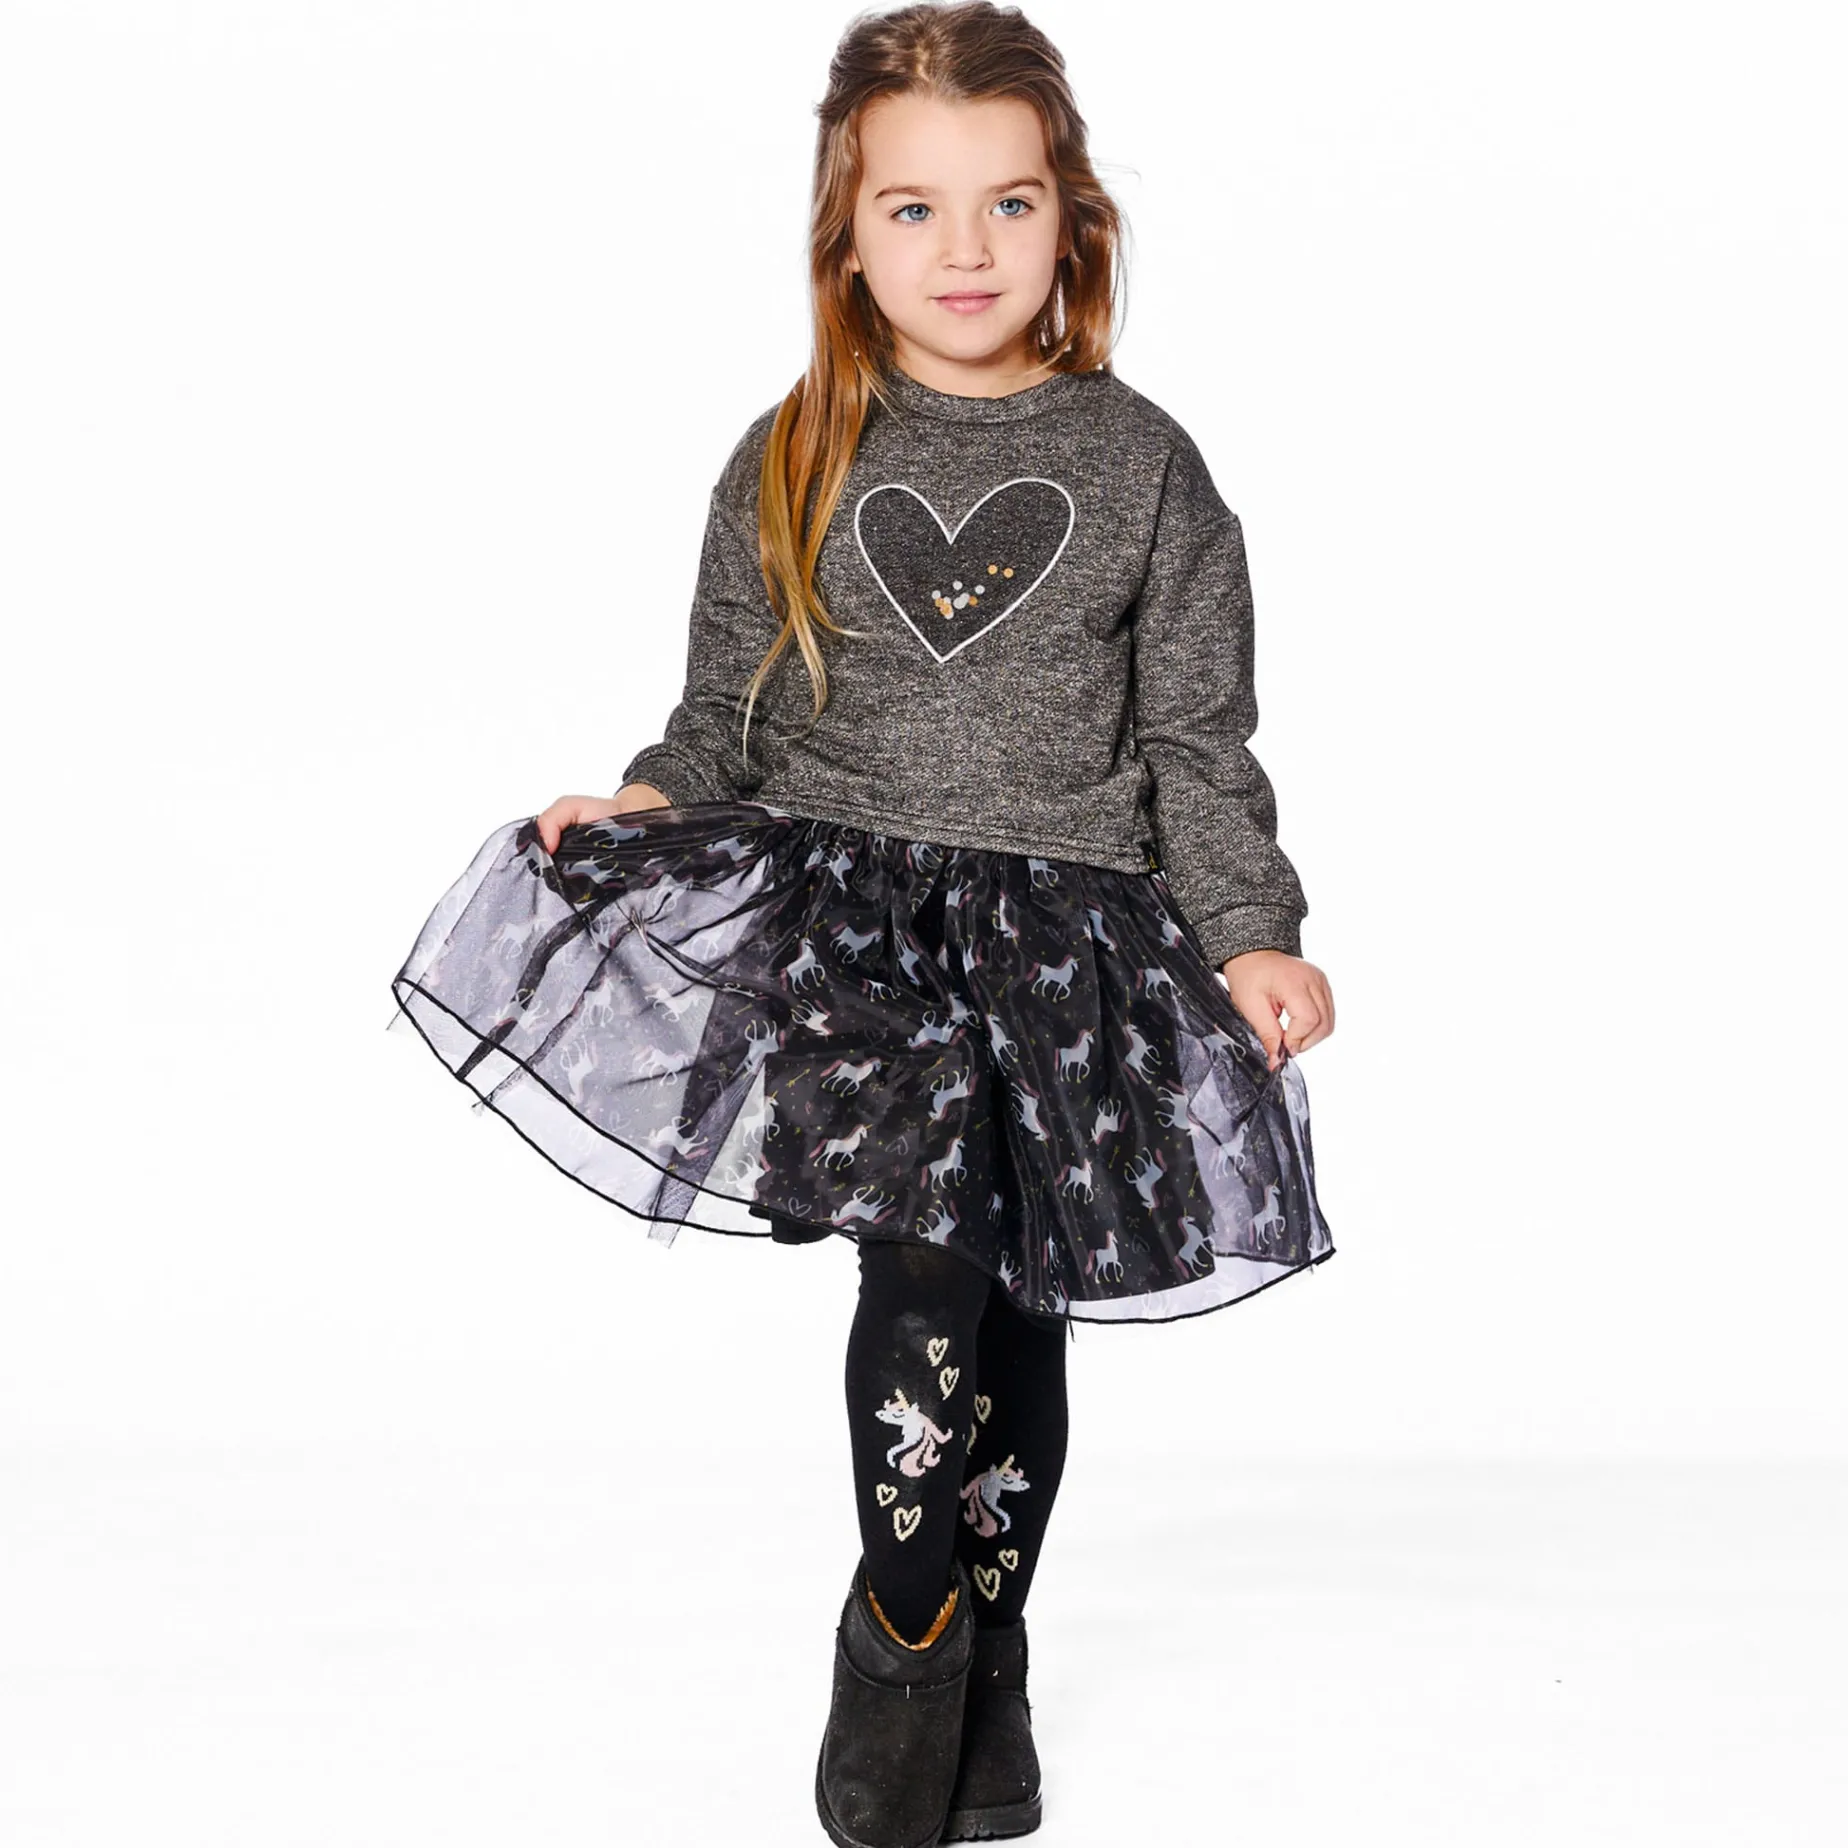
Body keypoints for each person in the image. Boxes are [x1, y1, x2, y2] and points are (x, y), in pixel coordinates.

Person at [388, 5, 1338, 1842]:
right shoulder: (794, 452)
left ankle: (994, 1658)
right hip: (863, 935)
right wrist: (646, 801)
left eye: (1008, 204)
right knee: (917, 1278)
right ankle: (900, 1662)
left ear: (1073, 221)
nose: (963, 250)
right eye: (913, 209)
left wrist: (1251, 931)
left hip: (1070, 949)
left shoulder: (1147, 468)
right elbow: (724, 714)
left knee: (1023, 1315)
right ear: (847, 236)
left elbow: (1195, 744)